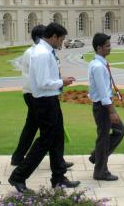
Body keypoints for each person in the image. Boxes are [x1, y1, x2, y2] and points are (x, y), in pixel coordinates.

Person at [8, 23, 79, 192]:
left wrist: (60, 82)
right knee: (45, 141)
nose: (62, 43)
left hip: (50, 99)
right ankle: (18, 176)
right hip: (44, 102)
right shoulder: (41, 54)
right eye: (61, 39)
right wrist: (63, 82)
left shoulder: (46, 52)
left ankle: (59, 177)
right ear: (53, 36)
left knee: (57, 138)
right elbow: (42, 82)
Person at [88, 33, 124, 181]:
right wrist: (112, 111)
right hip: (102, 107)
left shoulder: (100, 63)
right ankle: (100, 171)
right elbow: (103, 92)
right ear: (99, 48)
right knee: (105, 137)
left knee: (118, 131)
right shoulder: (98, 66)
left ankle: (97, 157)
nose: (110, 48)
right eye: (107, 46)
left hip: (103, 105)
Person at [11, 24, 45, 166]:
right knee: (48, 129)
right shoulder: (35, 53)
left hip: (31, 93)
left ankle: (18, 157)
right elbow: (40, 77)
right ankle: (25, 158)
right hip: (35, 94)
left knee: (31, 127)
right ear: (39, 38)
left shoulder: (33, 51)